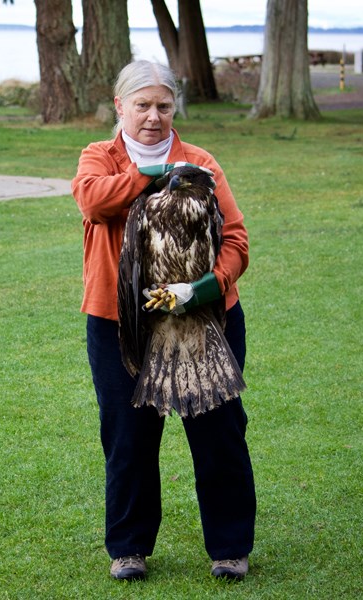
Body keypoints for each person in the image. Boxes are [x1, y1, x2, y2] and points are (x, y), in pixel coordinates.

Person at [71, 60, 256, 582]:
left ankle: (230, 547)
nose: (153, 117)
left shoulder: (201, 162)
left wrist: (204, 288)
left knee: (218, 432)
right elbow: (92, 200)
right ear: (120, 107)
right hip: (120, 325)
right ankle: (128, 548)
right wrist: (155, 176)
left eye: (163, 106)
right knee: (128, 438)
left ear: (175, 107)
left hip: (204, 323)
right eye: (142, 106)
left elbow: (237, 240)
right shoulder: (99, 159)